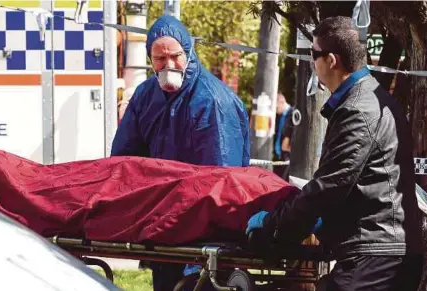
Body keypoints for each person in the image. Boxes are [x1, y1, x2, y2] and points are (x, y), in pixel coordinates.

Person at [246, 16, 423, 291]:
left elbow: (329, 187)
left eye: (313, 55)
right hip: (384, 249)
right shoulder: (373, 99)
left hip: (375, 257)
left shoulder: (357, 110)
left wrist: (272, 228)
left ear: (331, 60)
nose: (311, 64)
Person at [111, 15, 250, 291]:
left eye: (175, 56)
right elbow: (124, 160)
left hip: (205, 235)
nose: (168, 65)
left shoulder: (213, 101)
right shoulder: (145, 95)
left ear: (188, 52)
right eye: (159, 59)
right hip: (162, 228)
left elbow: (222, 180)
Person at [273, 92, 293, 180]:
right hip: (279, 155)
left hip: (287, 155)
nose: (275, 110)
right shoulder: (280, 116)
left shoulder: (292, 113)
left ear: (281, 102)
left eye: (276, 107)